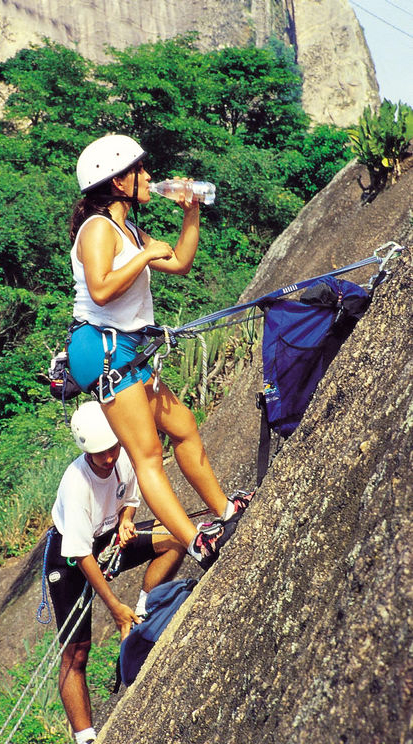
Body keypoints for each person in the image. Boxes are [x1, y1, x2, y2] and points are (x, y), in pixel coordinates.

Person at [67, 133, 252, 572]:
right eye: (139, 171)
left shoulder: (128, 228)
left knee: (184, 426)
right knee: (147, 452)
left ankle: (224, 511)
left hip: (125, 345)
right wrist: (144, 255)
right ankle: (196, 542)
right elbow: (101, 289)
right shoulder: (97, 229)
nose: (149, 177)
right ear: (117, 182)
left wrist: (191, 214)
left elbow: (180, 263)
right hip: (103, 348)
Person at [47, 401, 186, 744]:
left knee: (174, 538)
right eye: (100, 454)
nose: (109, 458)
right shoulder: (76, 483)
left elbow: (130, 498)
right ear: (86, 451)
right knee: (76, 653)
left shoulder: (120, 454)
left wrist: (125, 521)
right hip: (70, 558)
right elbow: (81, 554)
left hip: (106, 536)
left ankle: (141, 611)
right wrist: (113, 608)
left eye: (112, 448)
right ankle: (86, 737)